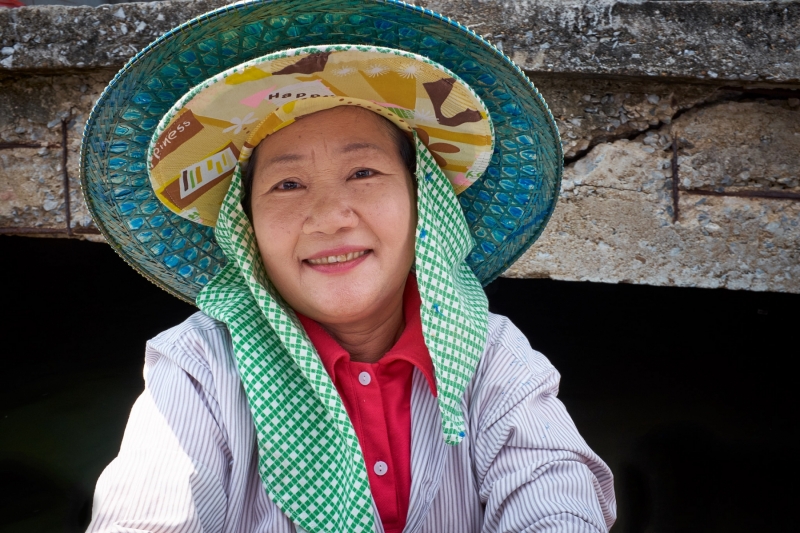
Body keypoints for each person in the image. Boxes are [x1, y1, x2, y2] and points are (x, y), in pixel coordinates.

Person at [81, 1, 616, 532]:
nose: (329, 218)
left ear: (424, 200)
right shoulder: (197, 367)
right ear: (245, 227)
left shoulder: (492, 356)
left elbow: (555, 497)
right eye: (286, 184)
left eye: (362, 172)